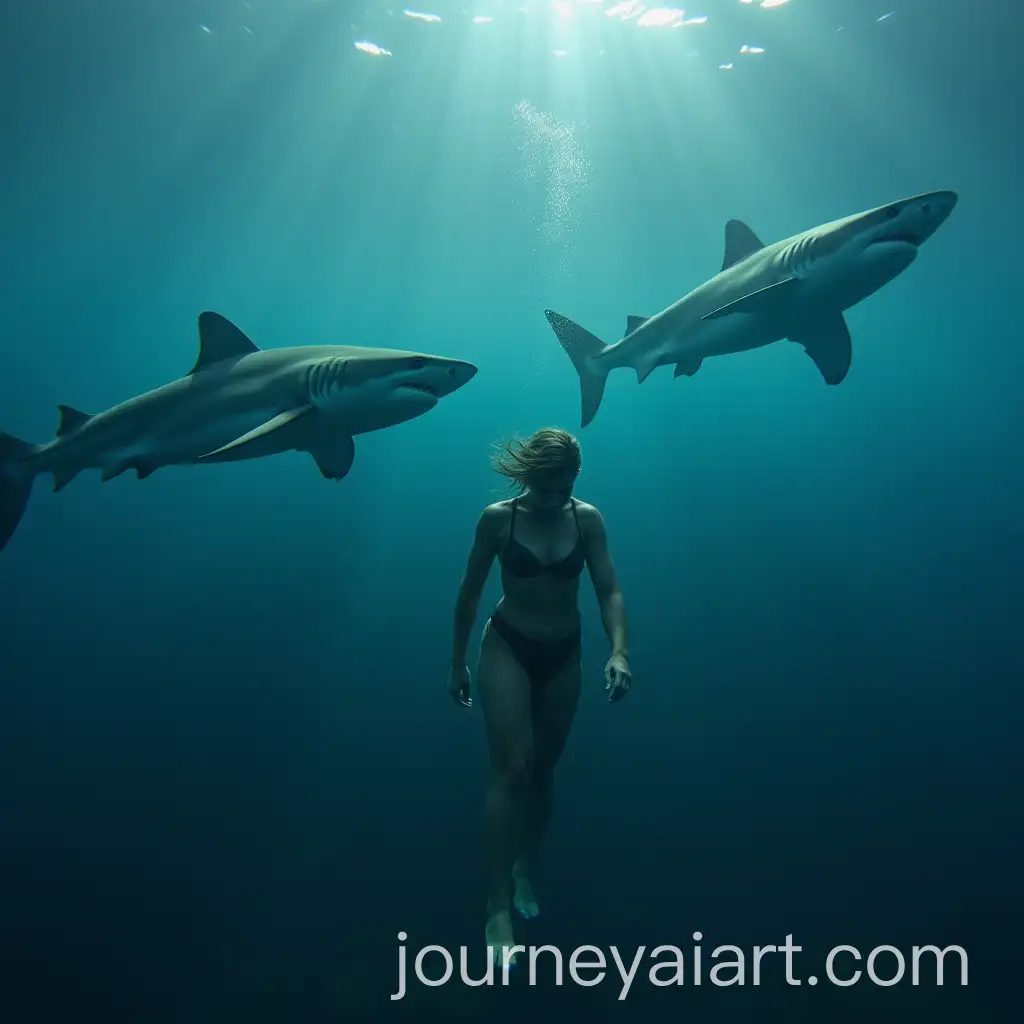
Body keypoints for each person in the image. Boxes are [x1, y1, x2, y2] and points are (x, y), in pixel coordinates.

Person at [448, 427, 633, 964]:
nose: (554, 500)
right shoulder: (498, 519)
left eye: (564, 489)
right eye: (545, 489)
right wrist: (457, 660)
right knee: (513, 767)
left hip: (564, 653)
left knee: (545, 772)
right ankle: (497, 904)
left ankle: (528, 864)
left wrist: (620, 651)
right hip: (507, 645)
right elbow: (470, 591)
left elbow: (610, 589)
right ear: (527, 477)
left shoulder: (587, 519)